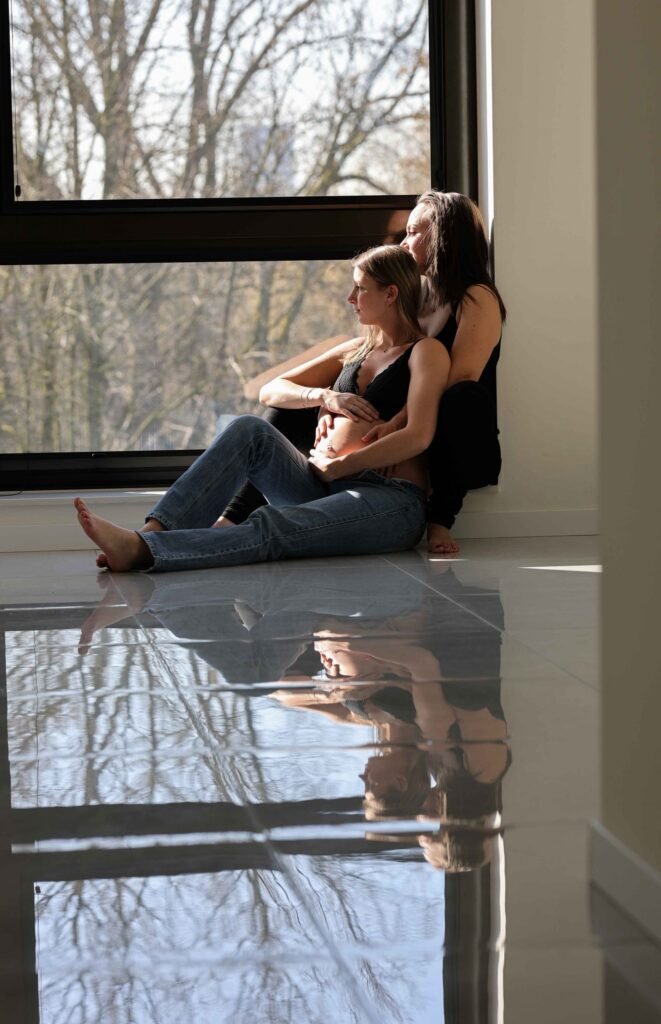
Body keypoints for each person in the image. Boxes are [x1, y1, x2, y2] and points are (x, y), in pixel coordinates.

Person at [74, 244, 450, 572]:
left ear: (391, 294)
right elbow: (270, 390)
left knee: (274, 525)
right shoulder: (354, 349)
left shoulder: (425, 352)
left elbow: (418, 435)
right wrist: (323, 397)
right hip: (325, 486)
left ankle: (143, 553)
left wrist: (341, 464)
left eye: (360, 289)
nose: (350, 298)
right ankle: (152, 534)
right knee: (247, 429)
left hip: (388, 500)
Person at [218, 190, 506, 555]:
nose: (404, 242)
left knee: (461, 398)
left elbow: (458, 378)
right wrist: (328, 401)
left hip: (451, 435)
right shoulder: (417, 299)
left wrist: (397, 425)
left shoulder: (475, 297)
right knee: (283, 413)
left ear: (443, 236)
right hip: (388, 440)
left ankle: (440, 520)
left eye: (414, 232)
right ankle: (231, 517)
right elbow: (382, 361)